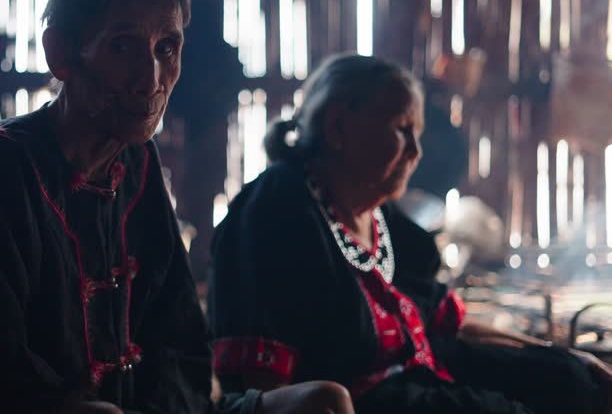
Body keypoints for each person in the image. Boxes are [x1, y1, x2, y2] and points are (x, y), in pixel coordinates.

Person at [0, 0, 352, 413]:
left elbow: (177, 338)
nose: (150, 79)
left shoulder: (135, 165)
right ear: (61, 55)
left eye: (166, 48)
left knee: (323, 400)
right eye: (123, 46)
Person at [208, 54, 612, 414]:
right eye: (402, 128)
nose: (416, 152)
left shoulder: (380, 217)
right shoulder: (275, 213)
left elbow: (446, 323)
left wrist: (560, 355)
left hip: (423, 374)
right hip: (366, 399)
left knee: (575, 382)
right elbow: (258, 382)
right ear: (337, 127)